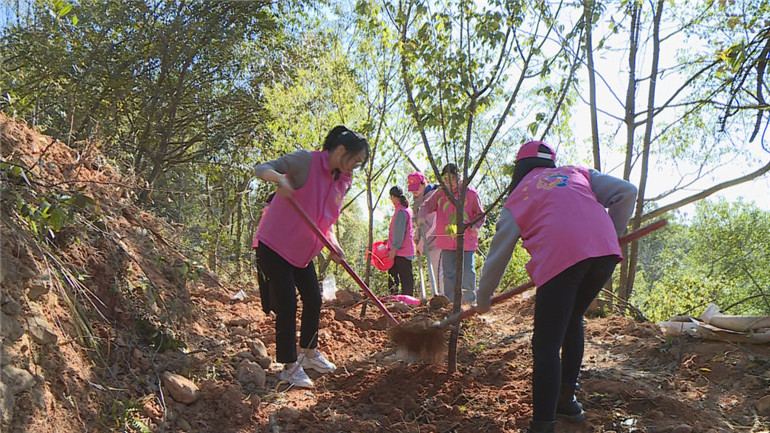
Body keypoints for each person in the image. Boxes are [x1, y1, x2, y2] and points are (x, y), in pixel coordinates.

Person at [475, 141, 637, 433]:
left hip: (561, 258)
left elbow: (499, 251)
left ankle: (542, 425)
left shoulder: (519, 196)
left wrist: (483, 297)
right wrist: (612, 235)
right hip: (604, 253)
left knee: (546, 344)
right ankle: (567, 401)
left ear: (519, 167)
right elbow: (627, 191)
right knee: (574, 318)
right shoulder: (576, 172)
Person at [253, 125, 369, 389]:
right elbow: (261, 168)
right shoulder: (306, 160)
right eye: (355, 160)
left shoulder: (342, 181)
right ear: (340, 150)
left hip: (303, 252)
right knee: (287, 303)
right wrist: (279, 179)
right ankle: (289, 366)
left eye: (360, 163)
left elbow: (328, 222)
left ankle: (309, 354)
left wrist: (334, 246)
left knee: (314, 300)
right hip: (274, 244)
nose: (355, 167)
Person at [419, 163, 485, 304]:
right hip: (447, 241)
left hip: (467, 241)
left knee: (468, 271)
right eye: (446, 179)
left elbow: (480, 214)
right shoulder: (440, 194)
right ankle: (450, 303)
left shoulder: (471, 194)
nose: (450, 183)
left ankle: (468, 302)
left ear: (460, 177)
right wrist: (421, 217)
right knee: (448, 273)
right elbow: (426, 206)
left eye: (453, 179)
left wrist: (475, 225)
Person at [407, 171, 443, 296]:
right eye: (412, 189)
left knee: (439, 273)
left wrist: (422, 242)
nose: (414, 191)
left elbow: (434, 224)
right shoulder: (418, 200)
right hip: (427, 243)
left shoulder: (433, 196)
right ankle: (435, 299)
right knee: (431, 270)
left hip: (438, 241)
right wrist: (417, 236)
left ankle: (443, 299)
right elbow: (419, 223)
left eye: (417, 188)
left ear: (424, 183)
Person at [385, 186, 416, 296]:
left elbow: (399, 231)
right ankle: (398, 299)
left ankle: (405, 301)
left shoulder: (401, 212)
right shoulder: (404, 210)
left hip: (401, 251)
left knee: (401, 278)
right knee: (403, 277)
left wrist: (394, 248)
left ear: (393, 197)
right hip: (403, 250)